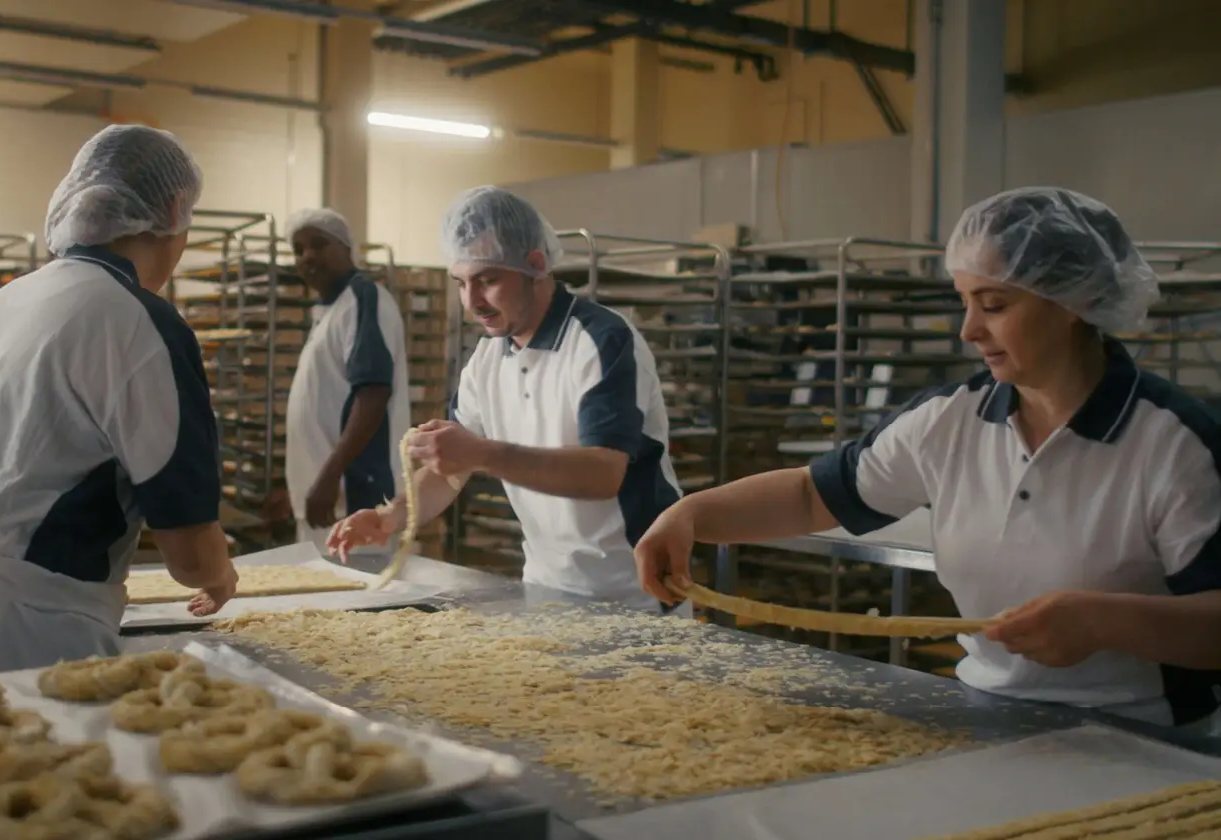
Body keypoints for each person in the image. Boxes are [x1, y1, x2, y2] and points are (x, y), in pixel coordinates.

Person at [635, 186, 1221, 730]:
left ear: (1074, 302)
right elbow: (812, 495)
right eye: (965, 302)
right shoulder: (951, 420)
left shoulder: (1172, 445)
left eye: (993, 304)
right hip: (987, 713)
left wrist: (1103, 622)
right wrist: (690, 515)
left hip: (1145, 738)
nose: (969, 329)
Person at [0, 124, 239, 676]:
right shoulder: (139, 318)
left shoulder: (8, 301)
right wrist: (219, 574)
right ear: (175, 208)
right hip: (17, 632)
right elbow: (188, 550)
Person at [327, 186, 685, 615]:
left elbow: (602, 473)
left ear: (535, 266)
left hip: (636, 595)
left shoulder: (600, 341)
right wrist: (391, 517)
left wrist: (480, 453)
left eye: (488, 280)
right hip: (547, 590)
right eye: (461, 283)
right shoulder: (487, 358)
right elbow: (450, 470)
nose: (472, 301)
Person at [282, 208, 411, 549]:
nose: (308, 255)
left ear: (345, 247)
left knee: (359, 597)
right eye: (298, 249)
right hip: (325, 497)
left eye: (319, 244)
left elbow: (372, 394)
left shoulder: (362, 298)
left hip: (355, 496)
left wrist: (328, 477)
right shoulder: (330, 310)